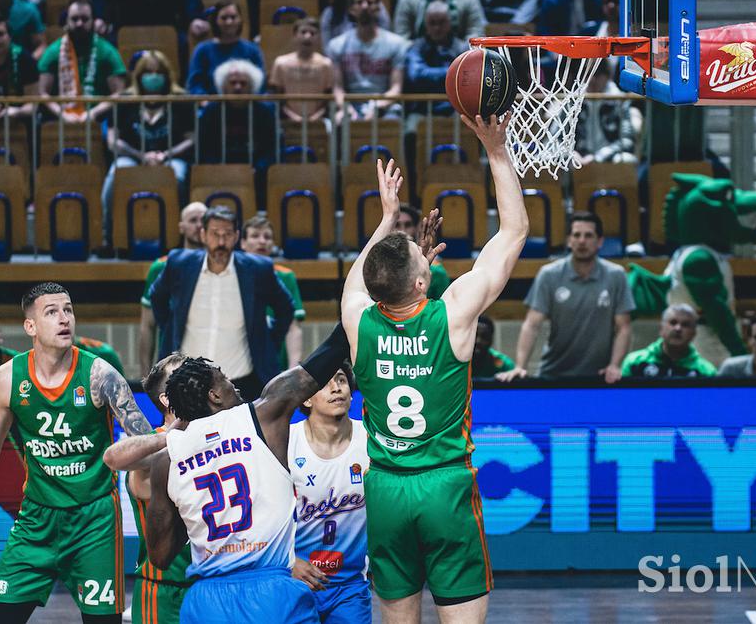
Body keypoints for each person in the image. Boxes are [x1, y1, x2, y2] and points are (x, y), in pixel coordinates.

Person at [341, 113, 530, 621]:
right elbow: (514, 231)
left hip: (384, 489)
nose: (422, 253)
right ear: (422, 283)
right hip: (442, 486)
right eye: (419, 257)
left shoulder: (358, 319)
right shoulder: (454, 314)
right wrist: (495, 149)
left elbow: (365, 278)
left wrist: (386, 217)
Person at [101, 322, 352, 623]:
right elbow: (328, 354)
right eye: (224, 379)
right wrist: (357, 309)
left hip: (206, 599)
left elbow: (160, 556)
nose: (233, 384)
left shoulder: (167, 458)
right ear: (214, 396)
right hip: (269, 590)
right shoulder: (263, 415)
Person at [0, 282, 155, 623]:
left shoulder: (100, 375)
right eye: (51, 312)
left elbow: (146, 444)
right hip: (36, 520)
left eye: (68, 310)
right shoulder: (8, 379)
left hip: (93, 519)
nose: (64, 318)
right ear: (30, 326)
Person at [148, 206, 295, 402]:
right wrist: (170, 327)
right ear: (203, 234)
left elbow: (285, 308)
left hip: (241, 380)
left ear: (236, 236)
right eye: (215, 234)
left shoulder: (258, 270)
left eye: (227, 234)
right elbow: (157, 297)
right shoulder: (180, 264)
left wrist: (267, 341)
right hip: (186, 380)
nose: (221, 241)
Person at [496, 212, 634, 383]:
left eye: (588, 235)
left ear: (600, 241)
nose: (582, 241)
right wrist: (520, 366)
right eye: (576, 235)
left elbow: (623, 327)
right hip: (554, 374)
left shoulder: (616, 276)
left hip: (600, 377)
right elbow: (532, 324)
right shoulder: (549, 275)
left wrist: (615, 365)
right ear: (569, 240)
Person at [289, 363, 371, 622]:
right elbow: (263, 513)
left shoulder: (370, 439)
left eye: (342, 380)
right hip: (295, 580)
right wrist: (288, 562)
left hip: (350, 586)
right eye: (325, 383)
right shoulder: (285, 442)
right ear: (306, 399)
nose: (336, 388)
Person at [122, 353, 195, 624]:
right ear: (166, 398)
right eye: (183, 373)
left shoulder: (215, 439)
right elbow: (137, 481)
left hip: (210, 585)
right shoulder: (148, 447)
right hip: (163, 590)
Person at [103, 50, 195, 241]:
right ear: (139, 76)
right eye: (148, 72)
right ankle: (109, 233)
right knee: (115, 175)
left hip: (171, 157)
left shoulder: (181, 100)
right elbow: (113, 140)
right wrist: (140, 156)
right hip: (132, 155)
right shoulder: (125, 100)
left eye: (158, 72)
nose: (153, 77)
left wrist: (166, 154)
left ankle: (177, 233)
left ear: (167, 75)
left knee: (176, 176)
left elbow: (191, 139)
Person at [138, 203, 207, 376]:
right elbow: (147, 326)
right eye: (193, 220)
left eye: (203, 220)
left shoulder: (222, 267)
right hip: (173, 361)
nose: (199, 225)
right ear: (181, 227)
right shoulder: (162, 266)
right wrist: (146, 376)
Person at [196, 59, 279, 203]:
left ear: (252, 87)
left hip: (256, 173)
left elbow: (271, 149)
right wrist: (219, 170)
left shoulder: (265, 112)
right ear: (223, 87)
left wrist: (257, 170)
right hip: (218, 172)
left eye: (243, 83)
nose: (238, 87)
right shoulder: (211, 112)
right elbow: (205, 148)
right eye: (233, 83)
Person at [327, 0, 409, 121]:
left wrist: (378, 106)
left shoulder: (396, 43)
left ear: (378, 8)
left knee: (393, 120)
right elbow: (338, 88)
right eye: (359, 2)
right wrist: (345, 107)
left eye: (370, 2)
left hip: (384, 103)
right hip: (350, 104)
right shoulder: (337, 45)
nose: (365, 6)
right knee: (339, 120)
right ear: (351, 9)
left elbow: (396, 88)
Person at [38, 0, 126, 123]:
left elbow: (119, 92)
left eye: (85, 19)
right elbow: (42, 93)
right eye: (74, 19)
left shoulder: (107, 52)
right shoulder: (53, 52)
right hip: (60, 120)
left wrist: (93, 113)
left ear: (93, 21)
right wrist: (62, 114)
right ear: (67, 22)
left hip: (99, 119)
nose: (79, 23)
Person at [241, 215, 306, 367]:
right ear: (243, 242)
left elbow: (293, 328)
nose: (262, 241)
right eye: (255, 236)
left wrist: (293, 371)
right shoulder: (232, 275)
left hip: (276, 361)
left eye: (267, 237)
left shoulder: (286, 276)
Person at [403, 1, 467, 120]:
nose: (437, 28)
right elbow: (416, 75)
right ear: (426, 25)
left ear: (450, 23)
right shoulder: (416, 47)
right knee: (410, 131)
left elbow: (467, 78)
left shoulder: (462, 47)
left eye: (441, 22)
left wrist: (430, 75)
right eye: (432, 23)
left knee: (468, 127)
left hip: (454, 108)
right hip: (421, 109)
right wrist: (453, 73)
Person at [186, 0, 264, 96]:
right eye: (224, 18)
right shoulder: (202, 50)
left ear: (240, 20)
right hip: (212, 106)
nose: (229, 22)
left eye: (233, 17)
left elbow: (261, 85)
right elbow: (194, 85)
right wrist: (205, 102)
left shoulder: (252, 50)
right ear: (216, 21)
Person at [572, 61, 641, 165]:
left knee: (625, 159)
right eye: (587, 74)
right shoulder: (574, 100)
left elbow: (626, 141)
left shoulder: (619, 100)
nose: (592, 79)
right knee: (563, 160)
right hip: (581, 157)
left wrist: (600, 156)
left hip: (609, 157)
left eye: (597, 74)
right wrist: (571, 153)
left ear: (608, 76)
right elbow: (558, 137)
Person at [621, 304, 717, 378]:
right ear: (661, 329)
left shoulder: (706, 371)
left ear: (694, 333)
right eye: (673, 322)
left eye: (685, 325)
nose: (678, 328)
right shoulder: (634, 362)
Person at [268, 17, 334, 122]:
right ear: (295, 36)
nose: (307, 36)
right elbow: (276, 97)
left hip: (319, 121)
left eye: (312, 33)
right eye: (303, 32)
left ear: (318, 38)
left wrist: (315, 118)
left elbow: (328, 98)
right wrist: (294, 117)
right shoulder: (280, 63)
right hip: (287, 121)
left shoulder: (326, 64)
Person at [394, 203, 451, 299]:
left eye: (408, 225)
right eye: (397, 225)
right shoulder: (380, 268)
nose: (402, 230)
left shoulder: (437, 273)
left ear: (417, 228)